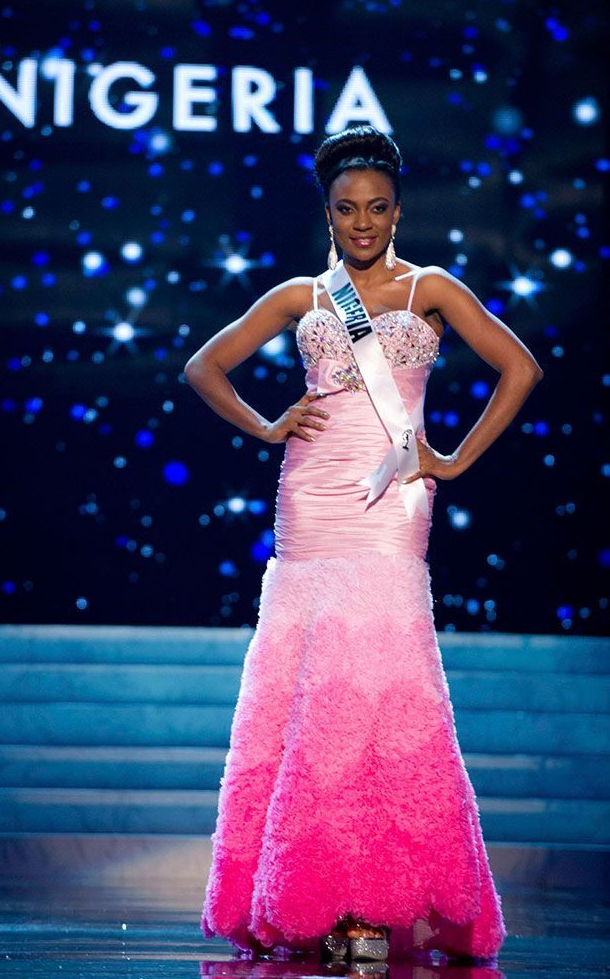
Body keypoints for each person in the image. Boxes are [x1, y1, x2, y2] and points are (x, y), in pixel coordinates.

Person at [184, 124, 543, 965]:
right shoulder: (301, 297)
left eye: (377, 207)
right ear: (328, 213)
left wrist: (449, 459)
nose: (363, 223)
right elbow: (204, 364)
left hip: (391, 500)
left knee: (385, 684)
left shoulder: (433, 289)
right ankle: (316, 896)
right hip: (310, 501)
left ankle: (383, 896)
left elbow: (519, 367)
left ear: (398, 209)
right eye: (347, 209)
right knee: (309, 692)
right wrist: (269, 424)